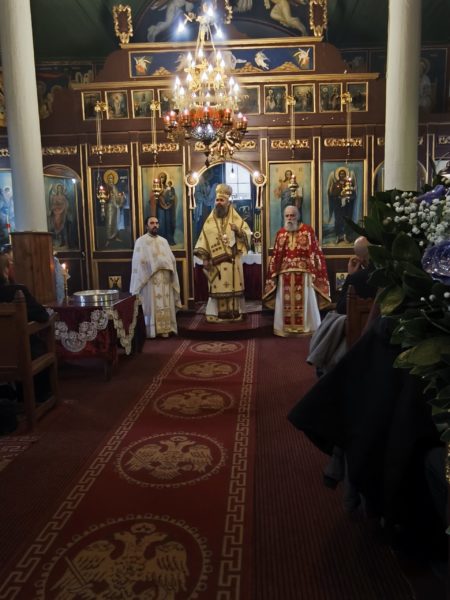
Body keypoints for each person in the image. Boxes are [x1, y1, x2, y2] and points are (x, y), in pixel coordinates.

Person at [263, 205, 330, 337]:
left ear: (297, 216)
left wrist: (314, 271)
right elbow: (276, 255)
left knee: (306, 301)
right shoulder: (281, 233)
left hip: (304, 274)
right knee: (285, 302)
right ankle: (284, 328)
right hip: (284, 275)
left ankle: (308, 327)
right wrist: (274, 272)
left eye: (292, 215)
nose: (289, 218)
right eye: (287, 216)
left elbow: (315, 252)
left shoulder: (307, 231)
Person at [194, 183, 251, 322]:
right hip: (216, 263)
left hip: (233, 261)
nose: (219, 203)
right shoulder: (209, 221)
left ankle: (235, 313)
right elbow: (203, 239)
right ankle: (215, 314)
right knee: (217, 288)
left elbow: (247, 234)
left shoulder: (235, 218)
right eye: (217, 200)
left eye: (222, 200)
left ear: (228, 202)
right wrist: (205, 258)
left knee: (233, 287)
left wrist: (238, 230)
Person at [130, 216, 181, 338]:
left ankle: (166, 329)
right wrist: (155, 264)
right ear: (146, 226)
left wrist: (167, 264)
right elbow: (139, 262)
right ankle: (152, 331)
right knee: (151, 306)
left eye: (157, 223)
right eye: (152, 223)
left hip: (165, 279)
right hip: (150, 280)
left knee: (165, 304)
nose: (155, 225)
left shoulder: (164, 241)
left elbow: (171, 259)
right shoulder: (141, 242)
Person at [327, 166, 356, 245]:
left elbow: (353, 195)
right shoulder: (336, 184)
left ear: (345, 175)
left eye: (343, 174)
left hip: (347, 207)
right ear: (338, 175)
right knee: (338, 221)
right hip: (338, 206)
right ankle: (338, 236)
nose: (342, 175)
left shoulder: (349, 183)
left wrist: (348, 197)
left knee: (347, 221)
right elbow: (332, 195)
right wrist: (340, 197)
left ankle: (346, 236)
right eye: (341, 174)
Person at [104, 170, 126, 247]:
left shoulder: (114, 186)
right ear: (107, 179)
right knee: (109, 222)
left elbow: (117, 197)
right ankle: (108, 238)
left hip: (115, 206)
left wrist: (121, 197)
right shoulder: (106, 187)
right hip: (109, 206)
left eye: (112, 178)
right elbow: (104, 197)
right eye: (109, 178)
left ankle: (115, 236)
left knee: (116, 222)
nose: (111, 180)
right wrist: (108, 196)